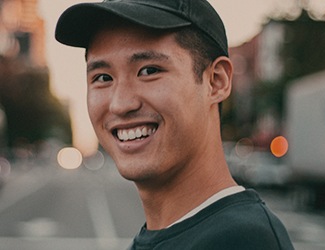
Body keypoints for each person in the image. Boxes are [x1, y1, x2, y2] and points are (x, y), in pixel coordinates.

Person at [55, 0, 294, 249]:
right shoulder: (168, 234)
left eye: (149, 71)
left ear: (216, 81)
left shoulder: (242, 241)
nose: (120, 104)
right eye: (103, 78)